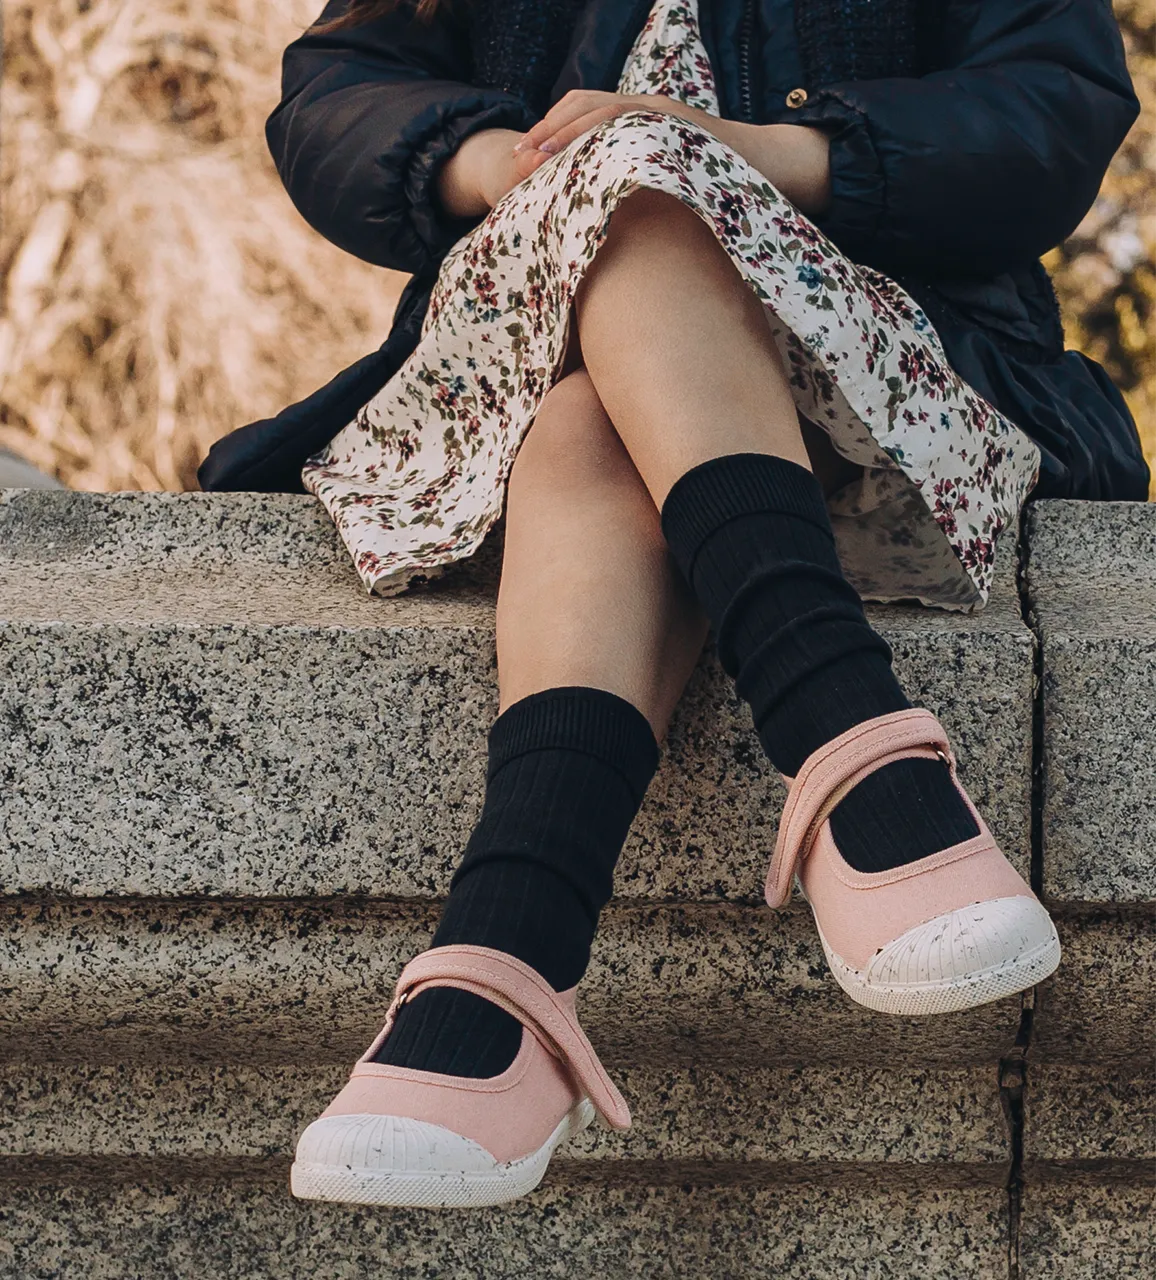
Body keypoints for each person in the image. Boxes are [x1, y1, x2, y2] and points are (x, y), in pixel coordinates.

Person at [199, 0, 1149, 1209]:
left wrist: (741, 148)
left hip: (906, 357)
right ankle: (853, 749)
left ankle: (505, 958)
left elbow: (1049, 105)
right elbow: (342, 82)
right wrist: (497, 159)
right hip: (532, 333)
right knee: (619, 252)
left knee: (636, 228)